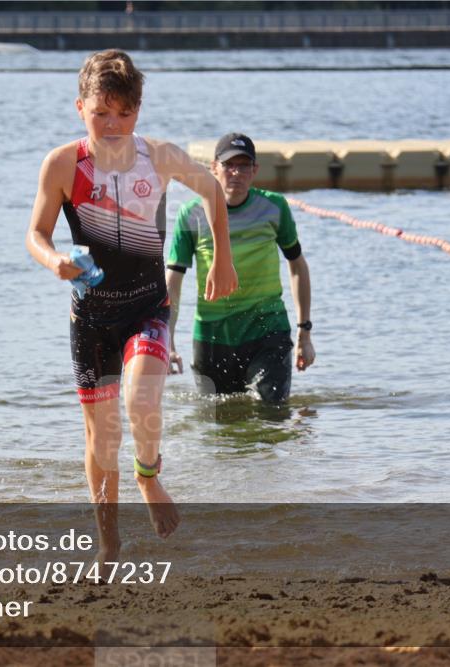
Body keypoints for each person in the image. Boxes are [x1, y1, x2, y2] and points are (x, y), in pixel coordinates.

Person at [26, 50, 238, 560]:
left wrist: (222, 260)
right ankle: (108, 539)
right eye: (101, 113)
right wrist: (54, 260)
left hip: (147, 307)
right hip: (91, 318)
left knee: (141, 402)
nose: (113, 125)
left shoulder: (158, 157)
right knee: (102, 440)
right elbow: (36, 233)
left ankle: (148, 476)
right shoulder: (63, 164)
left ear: (138, 111)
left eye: (124, 113)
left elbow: (211, 190)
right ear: (80, 107)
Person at [166, 133, 315, 404]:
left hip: (267, 329)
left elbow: (297, 266)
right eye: (229, 165)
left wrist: (304, 332)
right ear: (213, 168)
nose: (236, 172)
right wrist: (168, 340)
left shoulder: (274, 207)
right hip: (212, 336)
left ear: (255, 170)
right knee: (216, 420)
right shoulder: (190, 214)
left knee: (272, 413)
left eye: (244, 165)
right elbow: (173, 281)